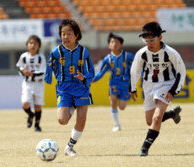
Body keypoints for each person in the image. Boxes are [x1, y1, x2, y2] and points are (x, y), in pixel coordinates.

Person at [130, 22, 186, 156]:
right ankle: (172, 114)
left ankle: (144, 148)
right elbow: (135, 71)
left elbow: (181, 71)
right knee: (150, 121)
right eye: (146, 40)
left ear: (160, 38)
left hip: (166, 84)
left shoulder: (170, 53)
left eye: (152, 39)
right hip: (148, 86)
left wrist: (173, 91)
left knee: (156, 118)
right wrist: (133, 88)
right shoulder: (141, 53)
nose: (149, 43)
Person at [44, 19, 95, 156]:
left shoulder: (84, 52)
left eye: (69, 34)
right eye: (63, 34)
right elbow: (50, 66)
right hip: (64, 88)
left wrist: (84, 78)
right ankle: (72, 106)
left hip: (81, 87)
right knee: (62, 120)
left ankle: (69, 147)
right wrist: (50, 78)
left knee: (82, 118)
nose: (65, 37)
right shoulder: (56, 52)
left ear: (76, 35)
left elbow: (91, 71)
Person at [92, 33, 134, 132]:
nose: (114, 44)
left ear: (121, 45)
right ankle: (117, 124)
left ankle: (125, 97)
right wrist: (93, 79)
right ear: (109, 45)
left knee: (122, 107)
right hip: (114, 83)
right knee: (113, 101)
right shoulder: (108, 59)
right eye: (112, 42)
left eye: (117, 42)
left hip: (125, 84)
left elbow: (137, 66)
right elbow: (101, 72)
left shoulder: (128, 56)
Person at [16, 35, 46, 132]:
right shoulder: (24, 56)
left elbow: (43, 71)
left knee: (37, 105)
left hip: (38, 84)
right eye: (31, 43)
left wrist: (32, 74)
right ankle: (30, 114)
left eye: (35, 43)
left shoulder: (41, 57)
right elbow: (19, 67)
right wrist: (23, 70)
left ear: (39, 46)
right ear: (27, 45)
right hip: (27, 83)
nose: (33, 45)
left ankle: (37, 125)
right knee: (25, 103)